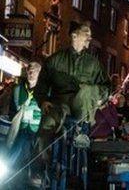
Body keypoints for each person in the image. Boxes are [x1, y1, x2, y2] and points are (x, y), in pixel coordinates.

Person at [34, 21, 110, 180]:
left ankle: (79, 137)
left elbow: (106, 87)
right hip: (59, 104)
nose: (90, 37)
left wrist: (98, 97)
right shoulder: (55, 60)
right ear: (74, 35)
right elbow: (41, 84)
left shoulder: (94, 63)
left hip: (82, 107)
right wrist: (42, 101)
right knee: (46, 127)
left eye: (90, 34)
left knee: (85, 91)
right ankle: (43, 168)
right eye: (86, 33)